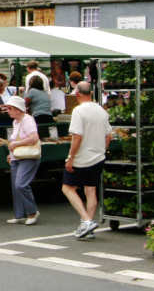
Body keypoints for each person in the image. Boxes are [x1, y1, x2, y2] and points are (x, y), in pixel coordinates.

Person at [62, 82, 113, 239]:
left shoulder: (78, 111)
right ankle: (88, 226)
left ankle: (86, 220)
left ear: (77, 94)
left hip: (82, 158)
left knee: (68, 188)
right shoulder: (101, 110)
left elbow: (77, 136)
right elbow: (109, 135)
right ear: (90, 93)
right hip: (98, 157)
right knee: (90, 190)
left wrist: (71, 157)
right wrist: (101, 150)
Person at [4, 95, 41, 225]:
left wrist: (16, 145)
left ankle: (32, 212)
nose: (7, 111)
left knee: (20, 184)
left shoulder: (27, 120)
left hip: (27, 157)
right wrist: (11, 153)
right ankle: (19, 214)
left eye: (9, 108)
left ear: (18, 109)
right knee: (16, 186)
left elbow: (34, 138)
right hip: (18, 157)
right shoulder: (16, 122)